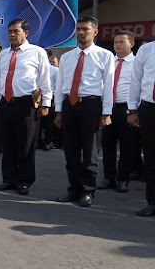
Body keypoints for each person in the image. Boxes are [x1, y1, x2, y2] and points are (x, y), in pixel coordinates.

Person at [54, 16, 114, 207]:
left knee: (89, 153)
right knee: (70, 151)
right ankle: (73, 189)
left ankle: (88, 191)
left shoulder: (105, 56)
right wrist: (59, 111)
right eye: (78, 29)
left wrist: (106, 113)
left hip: (91, 105)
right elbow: (60, 85)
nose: (80, 32)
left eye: (85, 29)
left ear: (95, 32)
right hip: (70, 106)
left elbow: (109, 87)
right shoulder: (67, 57)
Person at [0, 19, 52, 196]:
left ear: (26, 33)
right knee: (8, 143)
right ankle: (8, 178)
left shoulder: (37, 53)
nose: (12, 34)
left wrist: (45, 104)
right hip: (6, 103)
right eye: (10, 31)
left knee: (26, 144)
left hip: (27, 104)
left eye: (16, 31)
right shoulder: (3, 55)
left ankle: (24, 180)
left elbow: (44, 81)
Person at [99, 31, 140, 193]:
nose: (117, 45)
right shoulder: (109, 62)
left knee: (127, 146)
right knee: (107, 145)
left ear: (131, 44)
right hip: (109, 108)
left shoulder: (137, 63)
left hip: (127, 110)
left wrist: (134, 110)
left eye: (122, 42)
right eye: (115, 42)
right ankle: (109, 177)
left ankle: (124, 179)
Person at [127, 35, 155, 216]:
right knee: (151, 156)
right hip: (149, 108)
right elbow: (136, 80)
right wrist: (132, 110)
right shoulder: (146, 50)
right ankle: (152, 202)